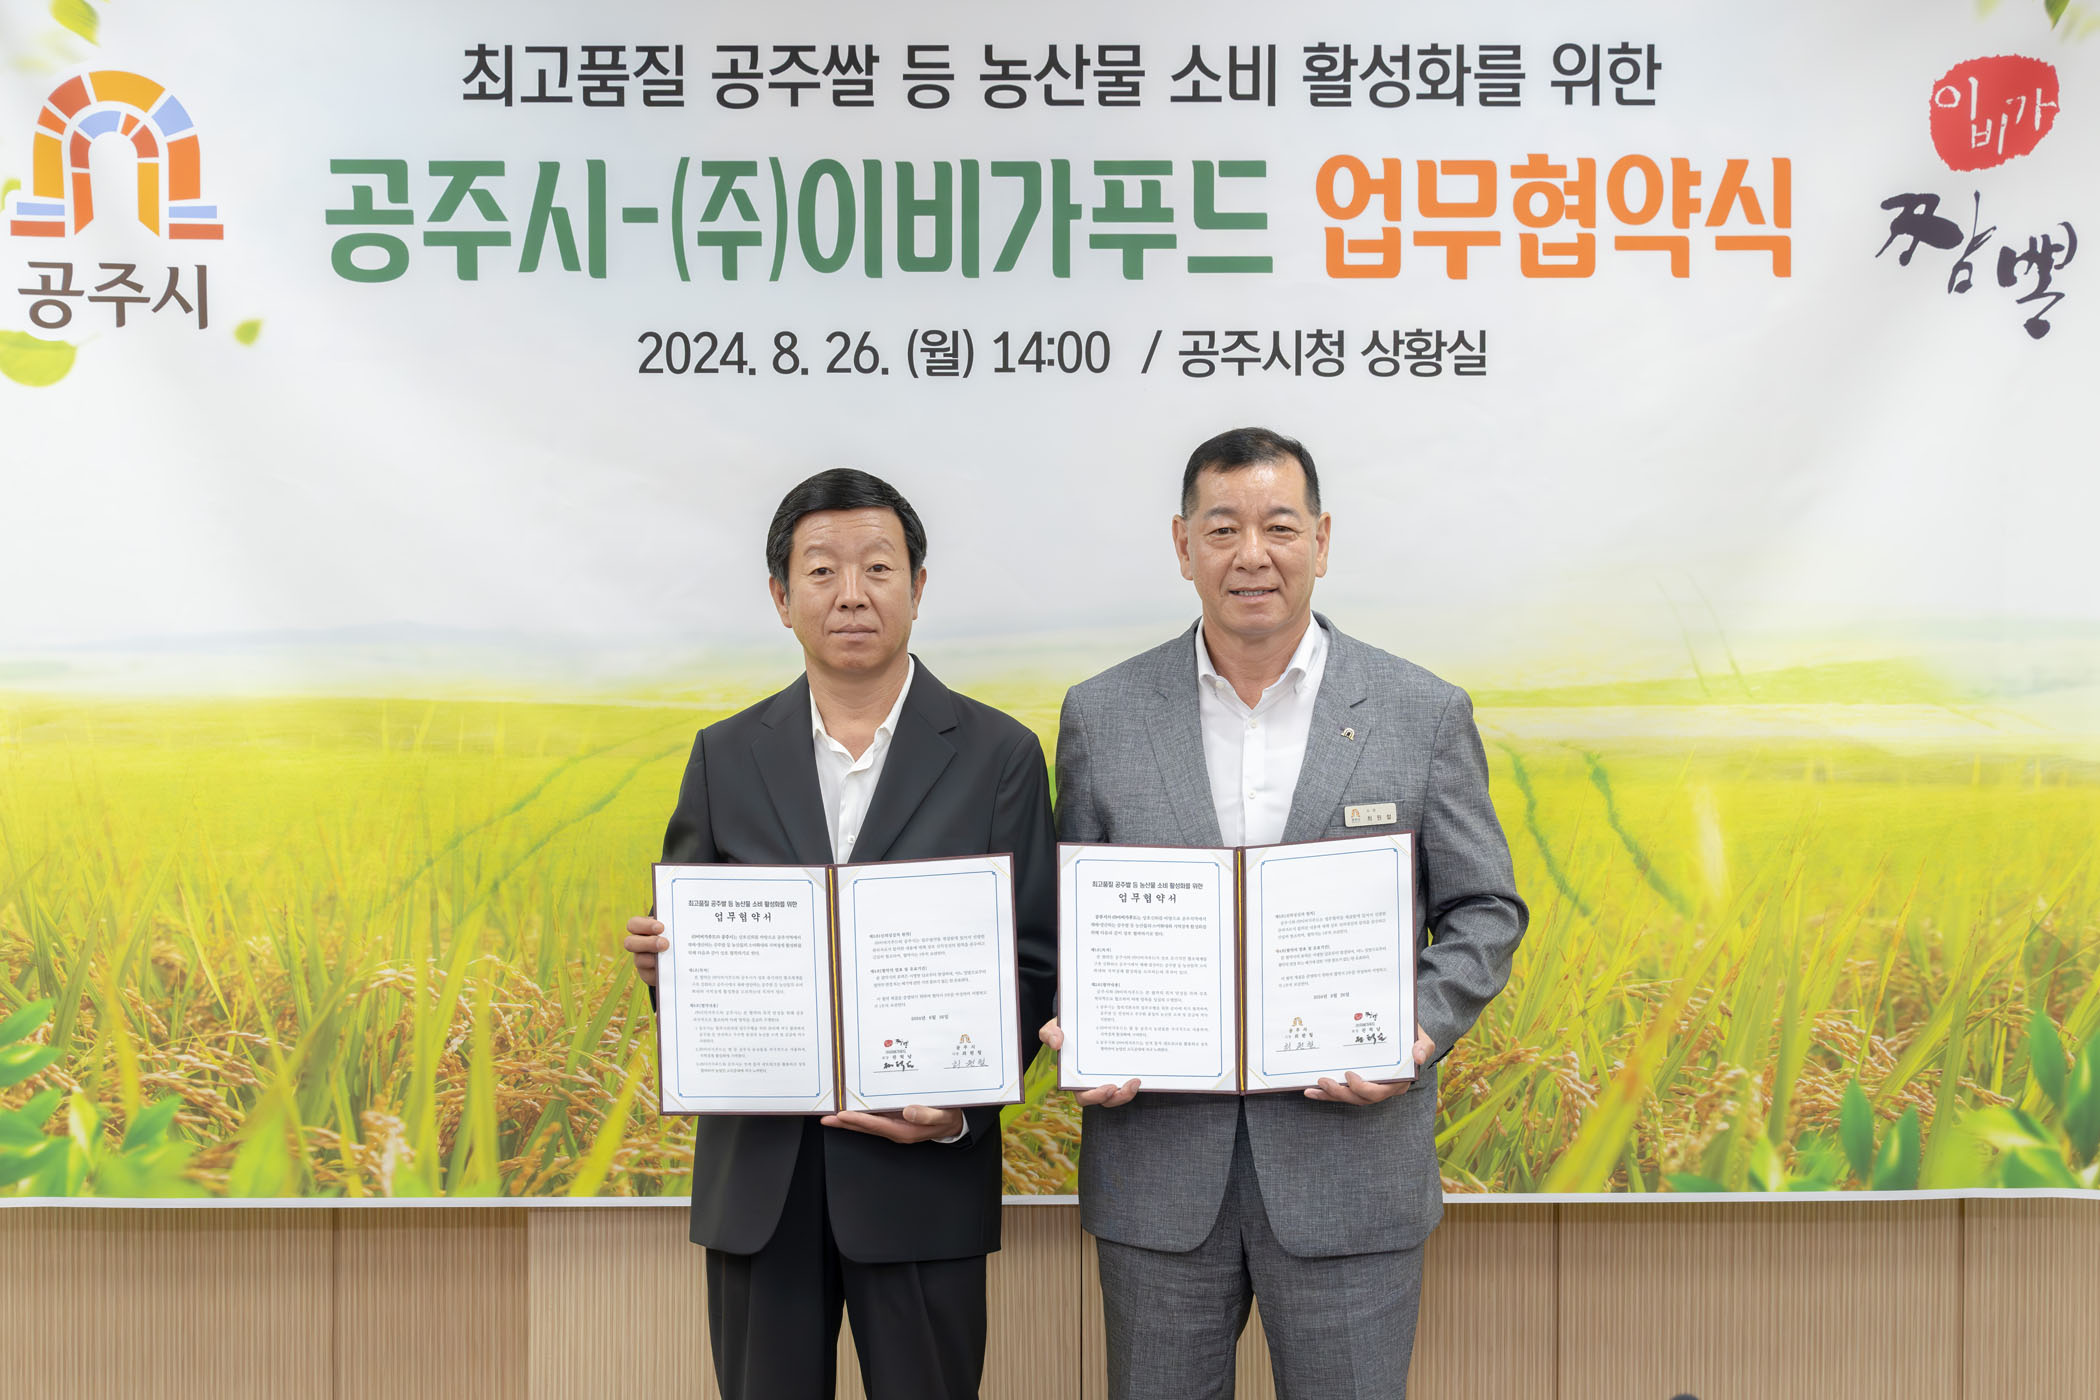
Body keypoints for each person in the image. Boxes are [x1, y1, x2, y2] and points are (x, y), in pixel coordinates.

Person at [1042, 427, 1528, 1399]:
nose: (1251, 554)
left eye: (1279, 526)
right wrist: (1078, 1023)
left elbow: (1485, 907)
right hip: (1159, 1170)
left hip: (1351, 1168)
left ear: (1323, 539)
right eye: (1223, 528)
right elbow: (1068, 918)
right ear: (1183, 545)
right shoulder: (1104, 714)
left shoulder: (1420, 711)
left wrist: (1415, 1029)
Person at [623, 468, 1058, 1400]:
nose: (851, 593)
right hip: (761, 1185)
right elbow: (694, 960)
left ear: (919, 587)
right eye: (821, 571)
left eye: (878, 568)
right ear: (781, 598)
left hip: (923, 1180)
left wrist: (962, 1111)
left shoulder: (999, 755)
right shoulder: (724, 755)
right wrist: (671, 968)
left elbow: (1033, 959)